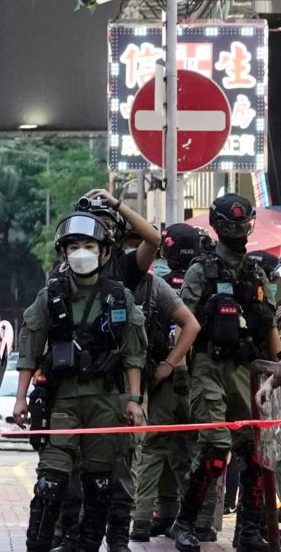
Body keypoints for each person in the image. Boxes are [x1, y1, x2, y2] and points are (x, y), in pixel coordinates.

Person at [14, 211, 147, 552]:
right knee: (50, 482)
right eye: (74, 246)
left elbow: (133, 354)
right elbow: (29, 350)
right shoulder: (50, 296)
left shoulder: (120, 297)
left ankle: (87, 546)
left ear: (104, 251)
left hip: (107, 402)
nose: (82, 252)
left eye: (89, 245)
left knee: (100, 484)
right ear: (64, 252)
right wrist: (20, 398)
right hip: (62, 401)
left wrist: (133, 399)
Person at [171, 194, 281, 552]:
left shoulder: (256, 272)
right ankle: (185, 523)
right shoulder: (201, 270)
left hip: (245, 369)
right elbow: (183, 322)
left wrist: (278, 366)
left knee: (253, 452)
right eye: (231, 225)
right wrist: (180, 370)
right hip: (208, 367)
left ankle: (248, 529)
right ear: (218, 228)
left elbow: (267, 325)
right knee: (216, 449)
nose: (238, 232)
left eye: (243, 224)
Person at [130, 224, 202, 542]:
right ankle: (197, 522)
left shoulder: (154, 280)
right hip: (199, 378)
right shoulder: (206, 277)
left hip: (164, 378)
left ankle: (144, 520)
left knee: (156, 448)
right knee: (194, 450)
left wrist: (164, 366)